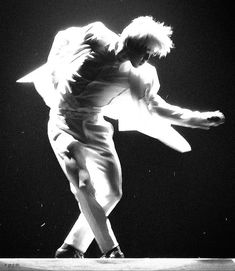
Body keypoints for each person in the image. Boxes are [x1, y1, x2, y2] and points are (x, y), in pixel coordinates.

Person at [17, 16, 225, 258]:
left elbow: (156, 107)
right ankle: (111, 250)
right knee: (83, 185)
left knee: (112, 192)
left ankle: (71, 247)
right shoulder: (95, 34)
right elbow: (62, 37)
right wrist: (54, 73)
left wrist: (198, 119)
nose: (147, 59)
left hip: (95, 127)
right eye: (145, 52)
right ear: (131, 43)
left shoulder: (141, 75)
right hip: (63, 122)